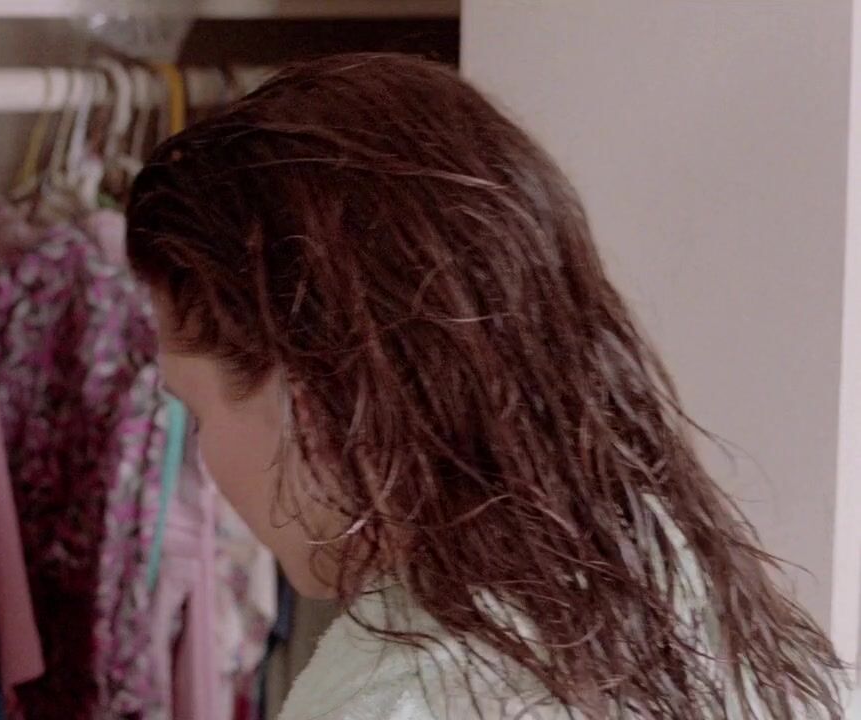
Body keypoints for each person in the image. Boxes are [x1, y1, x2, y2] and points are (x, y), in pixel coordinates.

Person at [125, 53, 847, 719]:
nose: (206, 466)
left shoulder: (394, 698)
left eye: (195, 410)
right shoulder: (672, 577)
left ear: (308, 400)